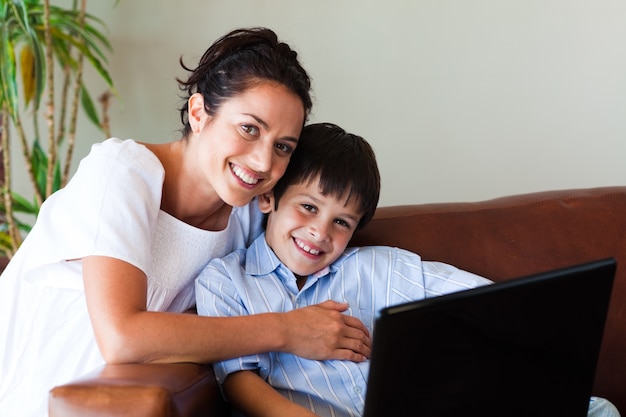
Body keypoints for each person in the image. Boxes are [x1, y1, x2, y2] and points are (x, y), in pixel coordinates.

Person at [0, 28, 371, 417]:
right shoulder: (122, 173)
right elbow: (121, 337)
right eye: (249, 128)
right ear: (198, 113)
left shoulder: (248, 216)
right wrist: (288, 330)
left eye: (282, 147)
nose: (264, 162)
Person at [195, 123, 621, 417]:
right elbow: (239, 383)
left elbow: (490, 304)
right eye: (308, 207)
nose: (320, 233)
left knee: (596, 408)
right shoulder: (226, 281)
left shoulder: (381, 268)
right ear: (268, 198)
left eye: (341, 222)